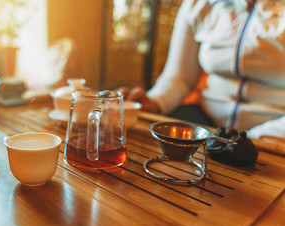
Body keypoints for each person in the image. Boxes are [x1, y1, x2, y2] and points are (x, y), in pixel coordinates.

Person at [120, 0, 285, 141]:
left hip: (271, 134)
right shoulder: (198, 4)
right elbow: (180, 78)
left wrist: (254, 139)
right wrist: (155, 102)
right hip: (206, 125)